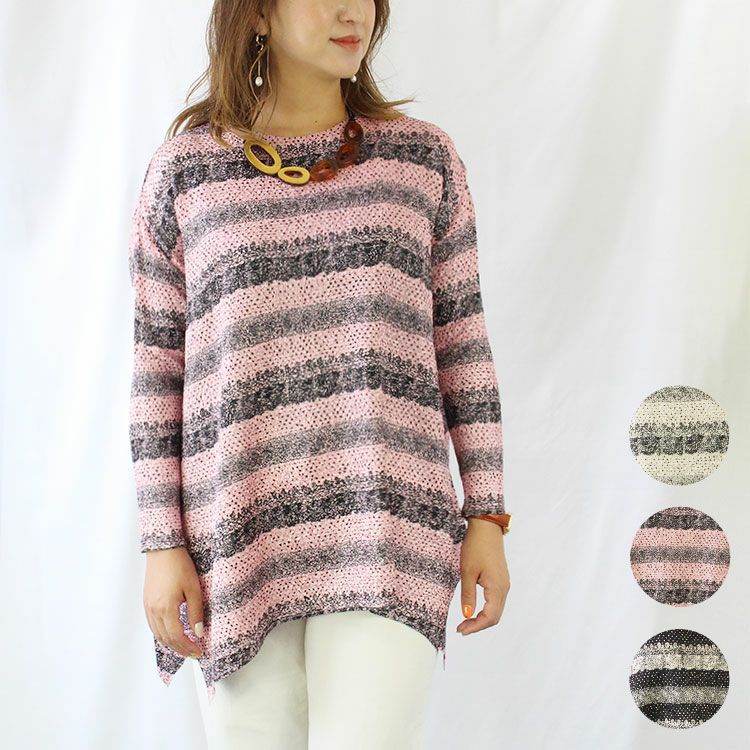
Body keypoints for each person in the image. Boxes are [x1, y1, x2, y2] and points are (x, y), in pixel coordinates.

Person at [128, 0, 511, 747]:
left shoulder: (422, 162)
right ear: (257, 15)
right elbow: (155, 369)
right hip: (236, 532)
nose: (350, 10)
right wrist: (161, 542)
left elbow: (463, 348)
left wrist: (488, 517)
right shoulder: (185, 172)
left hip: (388, 525)